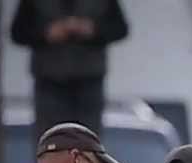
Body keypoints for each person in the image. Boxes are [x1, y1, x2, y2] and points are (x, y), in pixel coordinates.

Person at [11, 0, 130, 143]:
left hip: (89, 81)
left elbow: (119, 28)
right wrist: (46, 33)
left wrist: (93, 30)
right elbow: (18, 31)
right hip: (49, 81)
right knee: (51, 142)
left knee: (88, 143)